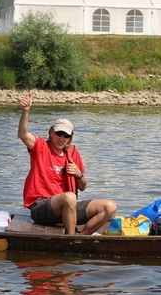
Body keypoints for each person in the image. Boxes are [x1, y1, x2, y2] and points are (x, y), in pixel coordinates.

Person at [18, 92, 116, 235]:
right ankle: (70, 239)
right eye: (59, 133)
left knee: (110, 207)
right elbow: (22, 134)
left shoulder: (73, 154)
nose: (61, 138)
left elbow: (82, 186)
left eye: (66, 135)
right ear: (51, 132)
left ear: (70, 138)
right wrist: (25, 112)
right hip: (41, 208)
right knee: (70, 197)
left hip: (67, 208)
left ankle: (82, 238)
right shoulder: (41, 147)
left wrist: (78, 174)